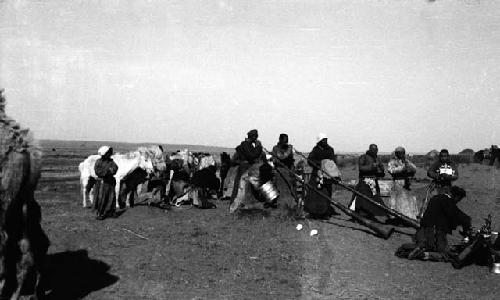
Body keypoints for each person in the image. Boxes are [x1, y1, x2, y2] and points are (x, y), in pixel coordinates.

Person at [396, 186, 472, 262]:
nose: (457, 202)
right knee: (444, 254)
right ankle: (423, 254)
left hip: (422, 230)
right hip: (434, 231)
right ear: (457, 196)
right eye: (459, 199)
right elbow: (460, 216)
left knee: (428, 246)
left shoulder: (435, 198)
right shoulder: (447, 201)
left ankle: (407, 248)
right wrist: (467, 227)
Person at [304, 133, 338, 218]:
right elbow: (310, 160)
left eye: (326, 139)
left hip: (327, 174)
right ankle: (313, 212)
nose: (325, 141)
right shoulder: (315, 150)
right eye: (323, 140)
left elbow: (333, 161)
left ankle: (325, 212)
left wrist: (326, 164)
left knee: (326, 193)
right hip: (316, 174)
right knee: (314, 193)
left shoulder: (330, 150)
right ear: (319, 141)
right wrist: (320, 163)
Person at [349, 144, 387, 220]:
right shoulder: (364, 157)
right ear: (370, 149)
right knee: (362, 198)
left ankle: (370, 213)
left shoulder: (377, 158)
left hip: (373, 181)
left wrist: (381, 169)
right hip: (365, 181)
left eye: (376, 149)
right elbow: (361, 168)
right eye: (374, 149)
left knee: (374, 198)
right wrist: (372, 166)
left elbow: (379, 171)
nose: (375, 151)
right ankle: (360, 214)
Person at [230, 129, 265, 203]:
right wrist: (258, 147)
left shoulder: (248, 145)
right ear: (253, 137)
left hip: (246, 167)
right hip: (245, 167)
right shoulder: (245, 145)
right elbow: (252, 156)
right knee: (243, 185)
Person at [271, 133, 297, 210]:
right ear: (280, 140)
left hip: (289, 171)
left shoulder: (288, 148)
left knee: (291, 188)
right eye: (284, 141)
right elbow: (281, 157)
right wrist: (289, 150)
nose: (286, 143)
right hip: (280, 172)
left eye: (287, 141)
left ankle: (291, 204)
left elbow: (290, 160)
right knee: (279, 189)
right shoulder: (276, 148)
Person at [94, 146, 119, 220]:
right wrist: (107, 171)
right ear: (104, 154)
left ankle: (111, 212)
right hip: (103, 182)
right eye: (108, 153)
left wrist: (111, 171)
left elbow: (115, 168)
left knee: (112, 196)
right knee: (102, 197)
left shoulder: (111, 161)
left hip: (110, 181)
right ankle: (100, 213)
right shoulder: (98, 161)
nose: (109, 154)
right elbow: (97, 171)